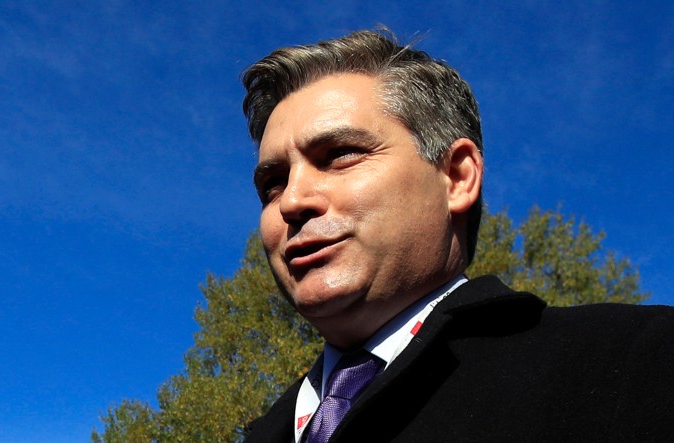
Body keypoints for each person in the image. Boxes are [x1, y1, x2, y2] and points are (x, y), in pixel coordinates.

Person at [240, 29, 674, 442]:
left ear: (456, 177)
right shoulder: (266, 432)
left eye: (340, 155)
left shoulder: (638, 364)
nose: (291, 201)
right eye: (272, 183)